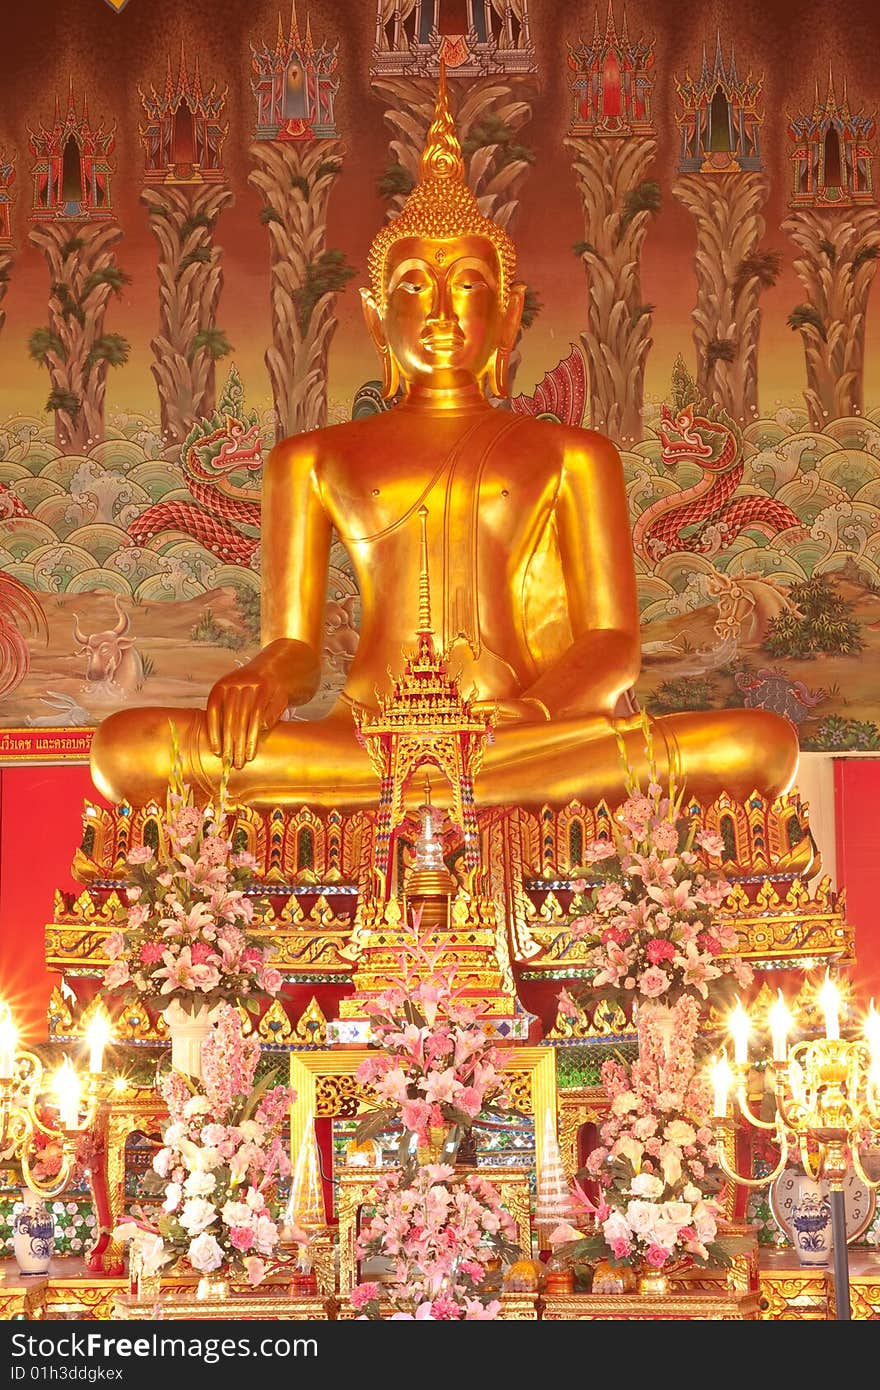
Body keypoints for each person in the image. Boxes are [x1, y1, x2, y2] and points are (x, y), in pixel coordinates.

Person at [90, 69, 797, 811]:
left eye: (465, 284)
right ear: (373, 316)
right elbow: (296, 649)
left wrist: (538, 713)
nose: (440, 310)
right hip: (365, 737)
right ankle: (460, 788)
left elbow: (612, 644)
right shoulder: (310, 459)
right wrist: (261, 678)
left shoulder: (572, 455)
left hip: (520, 729)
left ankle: (467, 782)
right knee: (128, 747)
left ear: (509, 310)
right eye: (413, 287)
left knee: (759, 743)